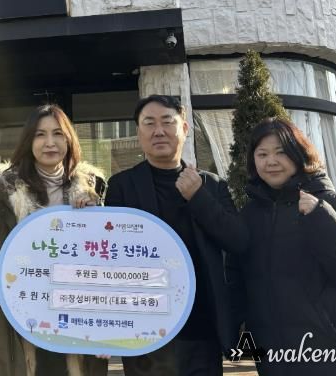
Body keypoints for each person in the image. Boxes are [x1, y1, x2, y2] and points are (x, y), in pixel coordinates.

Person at [0, 104, 108, 376]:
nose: (50, 142)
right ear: (28, 141)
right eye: (40, 134)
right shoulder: (1, 189)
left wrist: (93, 217)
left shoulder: (92, 188)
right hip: (18, 313)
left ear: (69, 140)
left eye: (58, 134)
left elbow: (103, 258)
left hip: (76, 313)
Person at [105, 94, 247, 376]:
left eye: (167, 122)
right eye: (149, 123)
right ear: (139, 133)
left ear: (184, 128)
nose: (159, 131)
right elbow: (110, 255)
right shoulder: (122, 186)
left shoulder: (212, 185)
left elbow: (237, 240)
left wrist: (198, 197)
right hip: (145, 332)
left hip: (202, 331)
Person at [235, 117, 336, 375]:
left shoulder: (331, 202)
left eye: (281, 152)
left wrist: (320, 216)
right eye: (262, 154)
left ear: (298, 154)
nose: (271, 161)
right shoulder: (250, 215)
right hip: (278, 360)